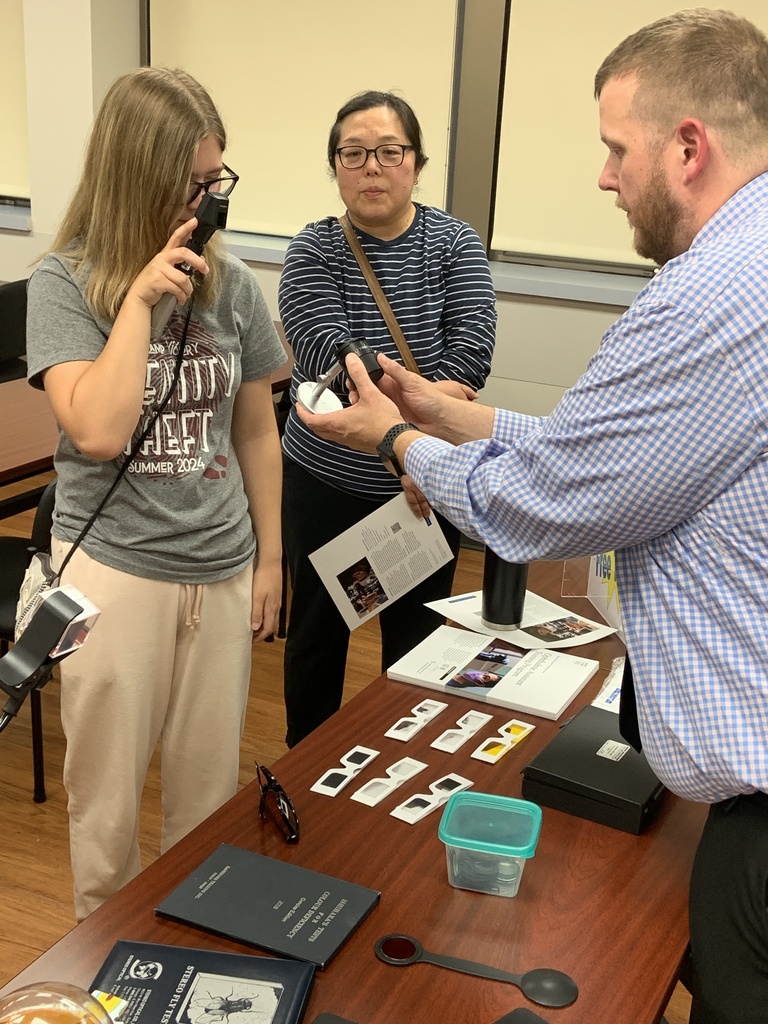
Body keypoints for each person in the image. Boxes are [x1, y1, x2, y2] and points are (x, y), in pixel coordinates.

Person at [296, 11, 768, 1023]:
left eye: (614, 148)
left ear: (689, 147)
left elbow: (544, 501)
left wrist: (395, 440)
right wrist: (459, 416)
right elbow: (627, 444)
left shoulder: (701, 302)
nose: (603, 178)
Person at [25, 67, 286, 920]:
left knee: (206, 809)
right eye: (196, 183)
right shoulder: (64, 284)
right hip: (115, 573)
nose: (211, 203)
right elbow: (96, 431)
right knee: (105, 811)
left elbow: (254, 428)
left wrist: (270, 558)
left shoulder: (234, 285)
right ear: (140, 175)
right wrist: (137, 301)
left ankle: (193, 953)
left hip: (219, 567)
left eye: (218, 181)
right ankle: (104, 968)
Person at [278, 90, 496, 747]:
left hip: (423, 487)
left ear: (417, 163)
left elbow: (472, 348)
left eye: (389, 152)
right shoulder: (314, 249)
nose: (371, 167)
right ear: (336, 167)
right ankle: (307, 771)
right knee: (317, 640)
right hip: (327, 484)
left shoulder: (454, 243)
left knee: (421, 642)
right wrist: (414, 424)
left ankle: (409, 764)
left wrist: (415, 444)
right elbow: (323, 347)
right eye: (353, 154)